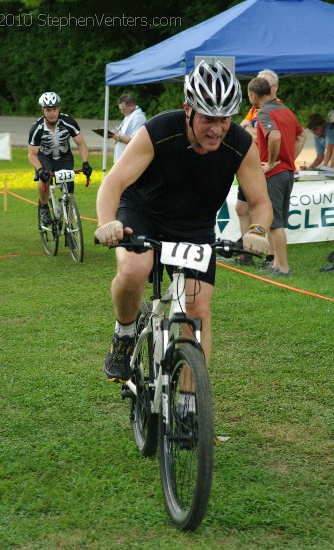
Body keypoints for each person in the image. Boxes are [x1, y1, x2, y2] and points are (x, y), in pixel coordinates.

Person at [95, 60, 273, 383]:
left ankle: (191, 406)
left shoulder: (239, 144)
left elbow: (260, 202)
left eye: (224, 118)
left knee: (197, 311)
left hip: (194, 226)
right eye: (208, 118)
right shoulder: (159, 131)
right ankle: (123, 332)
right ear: (188, 109)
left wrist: (258, 229)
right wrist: (107, 222)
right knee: (135, 268)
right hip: (143, 211)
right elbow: (113, 183)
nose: (217, 128)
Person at [247, 77, 306, 276]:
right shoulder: (285, 110)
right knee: (277, 221)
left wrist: (272, 162)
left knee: (276, 222)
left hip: (274, 173)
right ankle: (276, 264)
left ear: (253, 95)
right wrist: (290, 158)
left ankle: (282, 267)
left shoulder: (263, 113)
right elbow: (302, 136)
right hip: (287, 172)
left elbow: (275, 136)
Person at [237, 69, 281, 267]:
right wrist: (250, 130)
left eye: (265, 84)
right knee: (241, 208)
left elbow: (269, 136)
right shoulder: (255, 109)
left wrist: (250, 131)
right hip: (249, 162)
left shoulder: (275, 108)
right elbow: (243, 126)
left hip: (262, 165)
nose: (260, 86)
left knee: (264, 209)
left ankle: (269, 256)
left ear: (274, 88)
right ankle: (246, 252)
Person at [28, 92, 92, 225]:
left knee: (69, 191)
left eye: (54, 109)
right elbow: (32, 154)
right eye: (48, 110)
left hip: (64, 156)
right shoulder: (37, 128)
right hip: (44, 156)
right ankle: (44, 207)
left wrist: (85, 162)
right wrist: (40, 169)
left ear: (59, 109)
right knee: (44, 179)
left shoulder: (68, 122)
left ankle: (68, 225)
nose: (52, 113)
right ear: (43, 111)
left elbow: (81, 144)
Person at [112, 94, 147, 163]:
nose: (122, 112)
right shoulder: (130, 114)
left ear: (132, 106)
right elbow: (125, 133)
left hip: (129, 160)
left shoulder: (138, 117)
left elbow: (135, 140)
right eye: (120, 109)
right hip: (122, 157)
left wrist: (118, 138)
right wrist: (116, 133)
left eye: (124, 109)